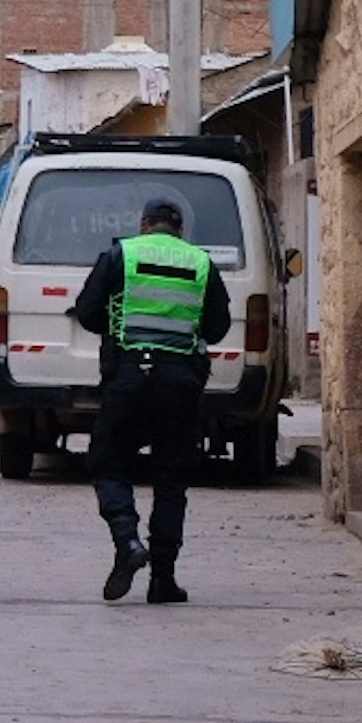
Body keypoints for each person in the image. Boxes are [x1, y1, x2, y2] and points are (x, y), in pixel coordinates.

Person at [68, 194, 233, 603]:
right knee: (171, 479)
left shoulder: (120, 255)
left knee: (107, 464)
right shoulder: (200, 263)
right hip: (179, 384)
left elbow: (87, 312)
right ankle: (163, 579)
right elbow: (217, 327)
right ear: (179, 229)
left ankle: (127, 540)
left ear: (144, 225)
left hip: (127, 378)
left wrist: (120, 323)